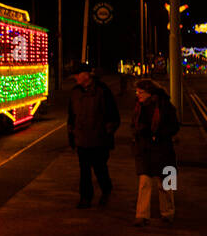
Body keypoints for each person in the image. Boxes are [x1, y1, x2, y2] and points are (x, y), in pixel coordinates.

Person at [66, 62, 119, 208]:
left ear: (86, 75)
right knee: (84, 171)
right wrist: (72, 135)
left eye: (78, 74)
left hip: (99, 140)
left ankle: (106, 190)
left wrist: (107, 134)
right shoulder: (75, 92)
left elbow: (113, 116)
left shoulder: (102, 91)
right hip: (82, 139)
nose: (75, 77)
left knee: (100, 168)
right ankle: (85, 197)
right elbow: (71, 116)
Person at [132, 78, 179, 225]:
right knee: (144, 182)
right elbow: (133, 124)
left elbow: (175, 127)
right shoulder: (139, 107)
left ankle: (168, 213)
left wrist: (157, 134)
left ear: (150, 93)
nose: (137, 94)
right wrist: (138, 134)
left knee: (166, 183)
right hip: (145, 149)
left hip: (163, 148)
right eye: (137, 91)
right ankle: (141, 215)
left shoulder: (166, 106)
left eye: (140, 92)